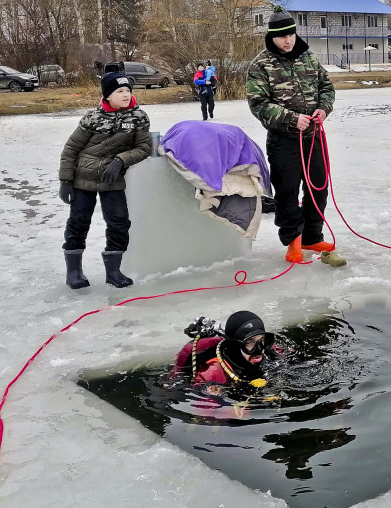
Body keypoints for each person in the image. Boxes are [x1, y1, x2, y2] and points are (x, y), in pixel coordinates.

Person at [246, 7, 336, 263]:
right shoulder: (260, 65)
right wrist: (291, 119)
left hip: (314, 136)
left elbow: (326, 86)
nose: (288, 40)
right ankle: (293, 242)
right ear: (272, 37)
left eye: (291, 34)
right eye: (282, 36)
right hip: (284, 140)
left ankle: (311, 236)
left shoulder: (307, 57)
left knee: (318, 187)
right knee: (287, 191)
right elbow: (258, 104)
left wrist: (323, 108)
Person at [58, 72, 151, 289]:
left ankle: (113, 271)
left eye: (128, 90)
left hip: (113, 178)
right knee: (78, 223)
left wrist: (120, 160)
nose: (126, 95)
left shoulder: (138, 117)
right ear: (108, 96)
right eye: (120, 91)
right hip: (83, 178)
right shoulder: (93, 117)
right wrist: (65, 180)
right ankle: (74, 272)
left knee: (119, 222)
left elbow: (144, 147)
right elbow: (72, 148)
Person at [170, 311, 277, 387]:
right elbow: (208, 414)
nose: (259, 350)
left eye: (262, 340)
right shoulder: (214, 373)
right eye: (249, 343)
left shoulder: (267, 352)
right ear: (235, 346)